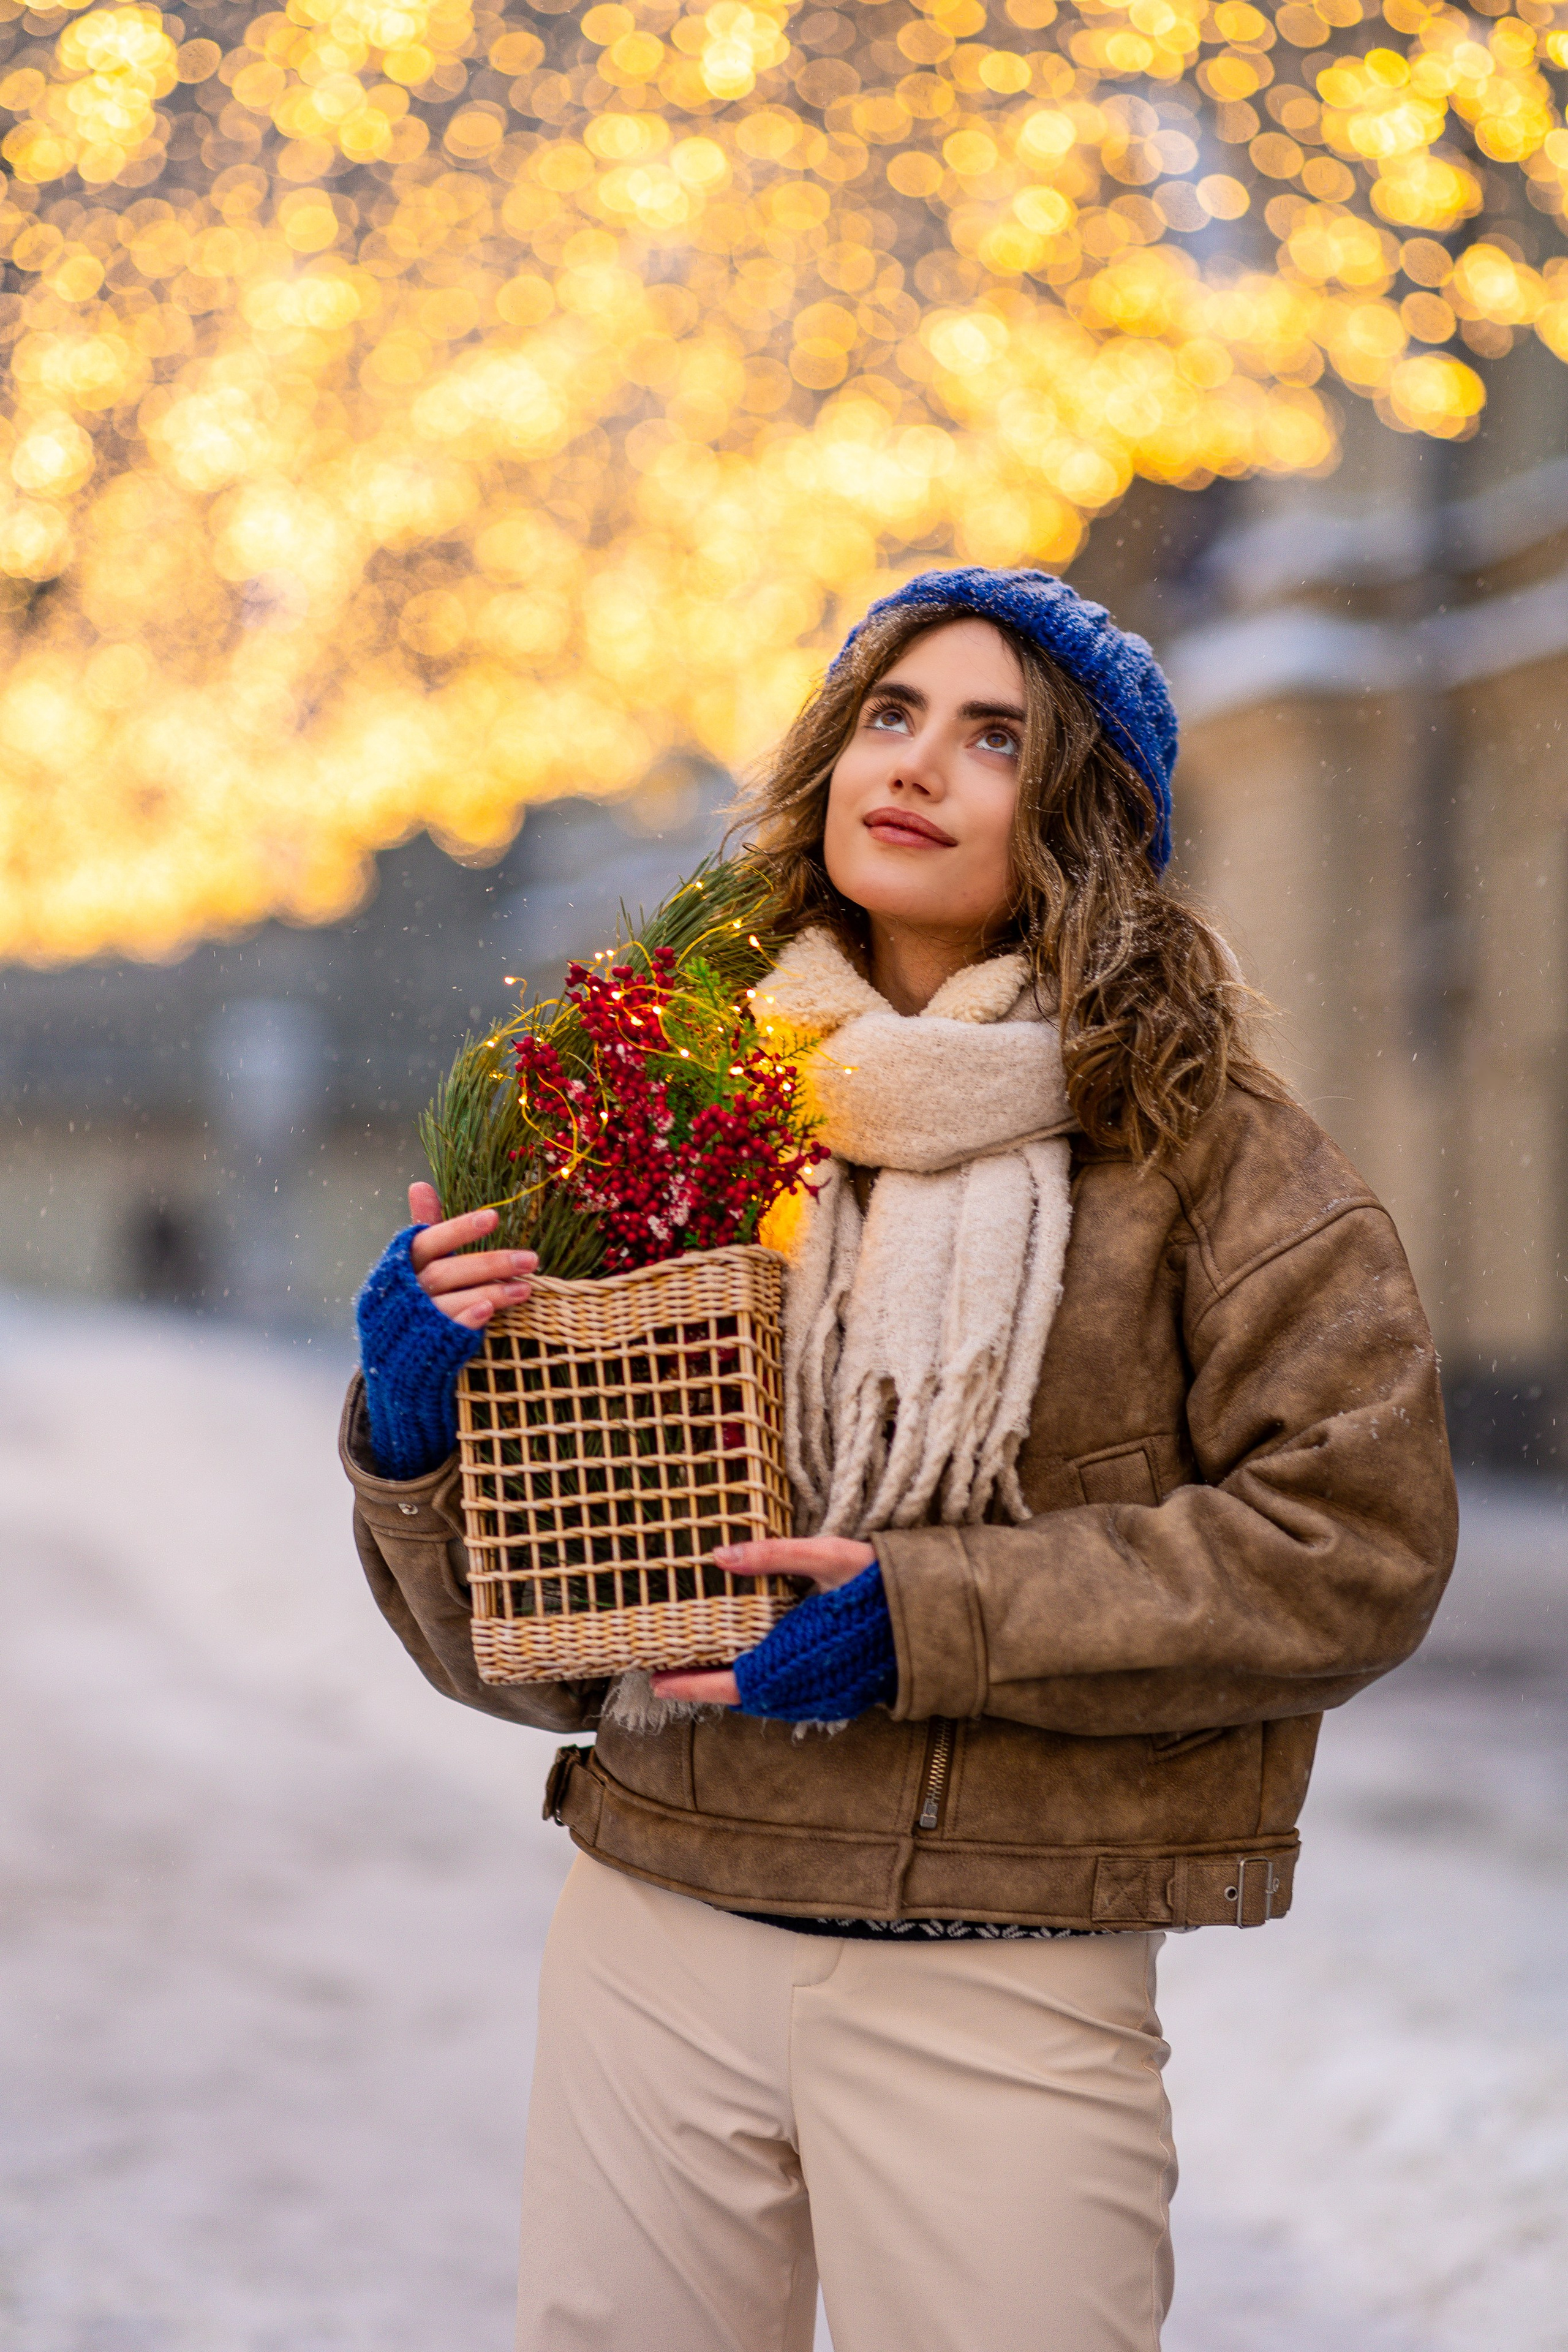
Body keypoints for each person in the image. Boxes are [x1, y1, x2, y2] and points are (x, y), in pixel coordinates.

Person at [342, 567, 1457, 2352]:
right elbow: (532, 1639)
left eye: (993, 735)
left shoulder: (1209, 1151)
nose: (919, 762)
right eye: (891, 712)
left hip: (1006, 1964)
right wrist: (419, 1429)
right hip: (661, 1911)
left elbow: (1352, 1542)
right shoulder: (669, 1108)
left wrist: (933, 1620)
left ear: (1081, 815)